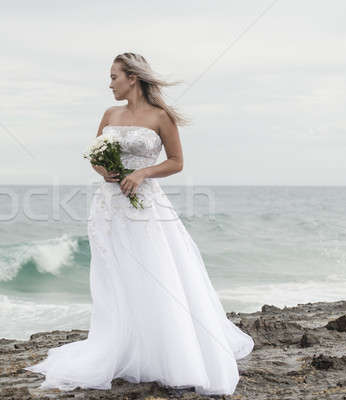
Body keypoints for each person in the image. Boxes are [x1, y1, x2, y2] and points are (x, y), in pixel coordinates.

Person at [24, 52, 254, 396]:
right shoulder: (109, 114)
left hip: (145, 205)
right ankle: (121, 347)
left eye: (114, 76)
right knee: (115, 275)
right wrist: (107, 172)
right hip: (108, 204)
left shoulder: (161, 117)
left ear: (132, 77)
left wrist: (142, 172)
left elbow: (176, 162)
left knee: (155, 271)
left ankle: (166, 352)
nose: (110, 83)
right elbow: (95, 159)